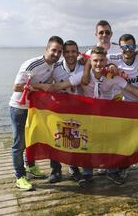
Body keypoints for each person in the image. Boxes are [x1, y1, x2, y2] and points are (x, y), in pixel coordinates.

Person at [50, 46, 138, 187]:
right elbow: (59, 86)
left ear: (106, 61)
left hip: (108, 115)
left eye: (102, 60)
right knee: (88, 143)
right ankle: (87, 174)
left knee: (111, 142)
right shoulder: (83, 76)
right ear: (90, 61)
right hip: (89, 115)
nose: (98, 64)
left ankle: (112, 171)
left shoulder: (113, 77)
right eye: (95, 61)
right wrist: (35, 88)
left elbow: (133, 90)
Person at [9, 36, 65, 190]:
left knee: (32, 138)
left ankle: (30, 166)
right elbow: (17, 87)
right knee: (19, 143)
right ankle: (20, 176)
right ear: (46, 49)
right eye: (53, 50)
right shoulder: (32, 64)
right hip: (19, 108)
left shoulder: (54, 65)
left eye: (59, 51)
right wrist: (41, 87)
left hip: (36, 109)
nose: (56, 54)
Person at [52, 40, 85, 182]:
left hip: (79, 108)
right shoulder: (55, 67)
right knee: (55, 138)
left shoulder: (85, 66)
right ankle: (55, 170)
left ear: (78, 53)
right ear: (63, 54)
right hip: (59, 108)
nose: (70, 54)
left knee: (74, 138)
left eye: (73, 51)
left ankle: (74, 168)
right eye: (67, 52)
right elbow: (46, 85)